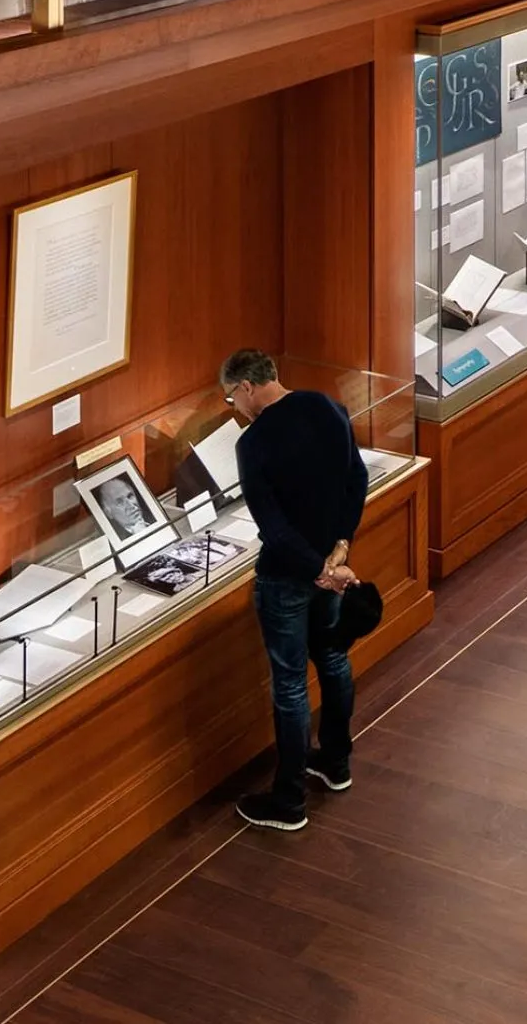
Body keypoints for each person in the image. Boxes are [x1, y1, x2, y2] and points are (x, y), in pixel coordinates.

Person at [221, 348, 366, 831]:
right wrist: (339, 551)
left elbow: (274, 529)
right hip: (330, 564)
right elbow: (356, 479)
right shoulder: (327, 407)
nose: (234, 408)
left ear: (244, 388)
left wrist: (316, 570)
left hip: (287, 577)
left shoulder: (254, 443)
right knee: (332, 658)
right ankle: (336, 762)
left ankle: (288, 800)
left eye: (230, 398)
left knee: (289, 683)